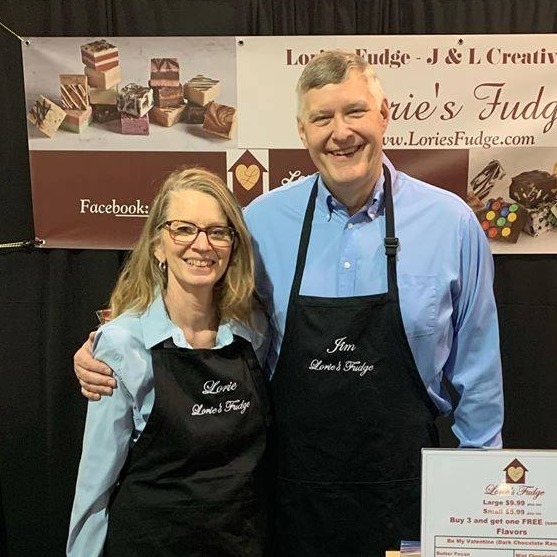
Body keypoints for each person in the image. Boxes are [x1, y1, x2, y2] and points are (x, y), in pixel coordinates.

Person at [74, 51, 504, 556]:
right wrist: (109, 347)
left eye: (354, 111)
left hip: (405, 495)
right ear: (302, 131)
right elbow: (199, 314)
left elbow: (479, 378)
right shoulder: (261, 223)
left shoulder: (451, 224)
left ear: (384, 114)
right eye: (322, 118)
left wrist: (482, 515)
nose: (340, 132)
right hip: (289, 501)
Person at [67, 167, 271, 557]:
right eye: (184, 229)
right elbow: (94, 487)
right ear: (158, 246)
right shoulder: (122, 345)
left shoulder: (254, 333)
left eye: (217, 231)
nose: (202, 244)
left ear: (232, 246)